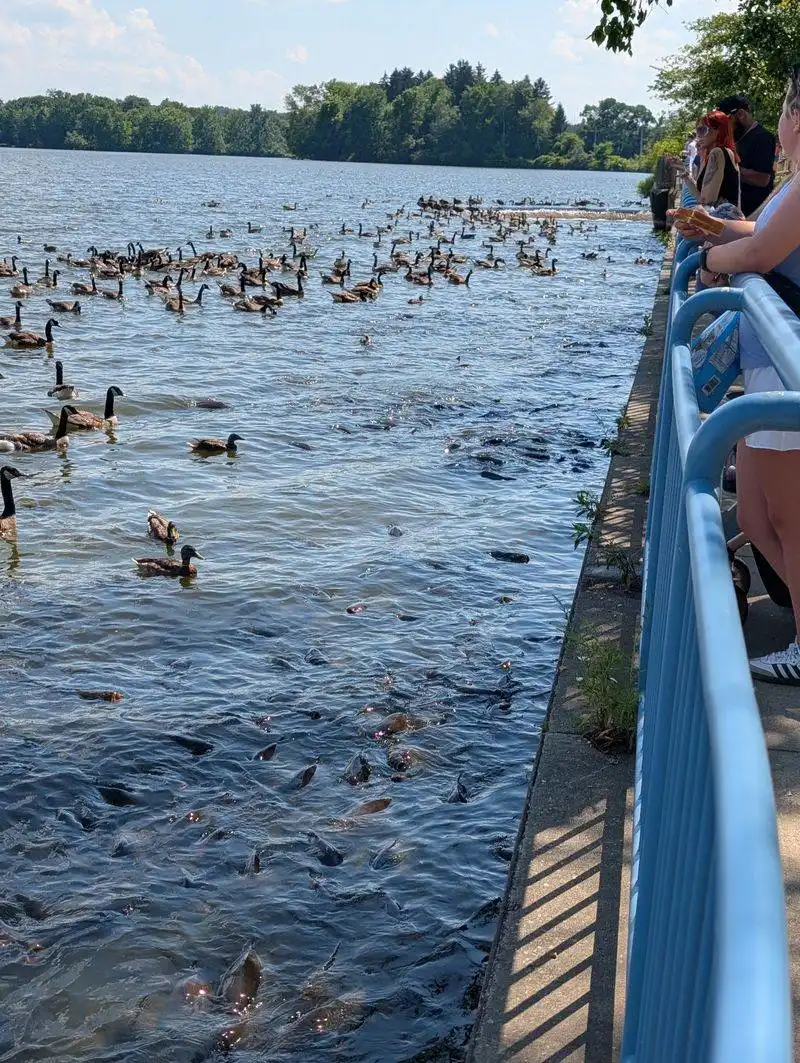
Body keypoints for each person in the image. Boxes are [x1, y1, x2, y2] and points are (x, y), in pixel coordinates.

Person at [676, 68, 800, 683]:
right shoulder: (794, 184)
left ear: (795, 115)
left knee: (786, 519)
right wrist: (715, 227)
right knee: (752, 516)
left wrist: (710, 259)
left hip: (785, 366)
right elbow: (761, 234)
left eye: (783, 106)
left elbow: (757, 255)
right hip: (764, 367)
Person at [718, 94, 776, 217]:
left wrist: (728, 168)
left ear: (740, 114)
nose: (725, 128)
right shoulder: (739, 137)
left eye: (726, 122)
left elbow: (763, 179)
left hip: (753, 214)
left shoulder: (761, 138)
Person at [682, 111, 741, 212]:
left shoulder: (717, 153)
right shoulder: (716, 154)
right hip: (725, 219)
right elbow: (701, 197)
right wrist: (684, 172)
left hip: (722, 222)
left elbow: (706, 200)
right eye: (697, 131)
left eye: (702, 130)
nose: (698, 136)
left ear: (718, 130)